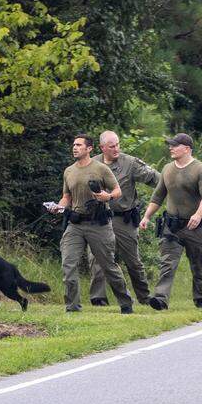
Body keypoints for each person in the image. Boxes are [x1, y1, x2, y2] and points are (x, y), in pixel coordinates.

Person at [48, 134, 134, 313]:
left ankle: (126, 302)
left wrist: (107, 196)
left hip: (99, 225)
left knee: (108, 266)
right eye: (73, 145)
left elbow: (118, 191)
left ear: (89, 149)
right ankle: (72, 307)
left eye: (79, 145)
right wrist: (58, 207)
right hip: (75, 224)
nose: (75, 148)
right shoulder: (69, 171)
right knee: (68, 264)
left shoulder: (101, 169)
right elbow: (66, 197)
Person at [139, 133, 202, 310]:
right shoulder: (167, 169)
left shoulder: (201, 170)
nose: (171, 148)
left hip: (195, 226)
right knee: (167, 263)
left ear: (187, 148)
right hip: (172, 226)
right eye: (170, 145)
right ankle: (160, 299)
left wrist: (198, 215)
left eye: (175, 145)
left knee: (198, 264)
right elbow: (158, 196)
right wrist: (146, 216)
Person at [86, 130, 159, 306]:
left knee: (133, 261)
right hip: (99, 219)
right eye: (111, 146)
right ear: (102, 147)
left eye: (118, 144)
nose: (116, 148)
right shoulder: (91, 164)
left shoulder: (130, 163)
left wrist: (174, 187)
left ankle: (144, 297)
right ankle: (98, 298)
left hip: (123, 218)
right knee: (97, 258)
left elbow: (157, 180)